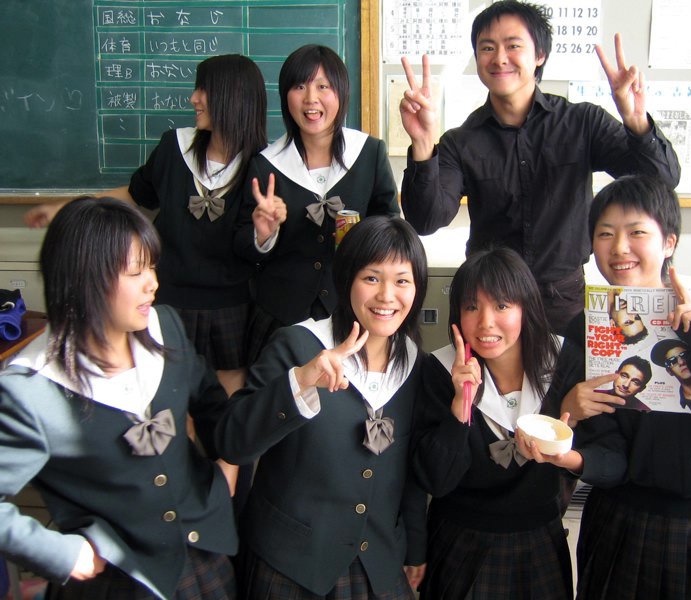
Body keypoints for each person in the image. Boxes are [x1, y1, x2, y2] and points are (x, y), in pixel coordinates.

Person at [525, 174, 691, 598]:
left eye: (636, 232)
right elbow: (578, 439)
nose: (619, 247)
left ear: (669, 242)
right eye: (605, 234)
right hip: (622, 521)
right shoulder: (588, 326)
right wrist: (571, 407)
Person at [0, 197, 237, 599]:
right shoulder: (31, 389)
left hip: (204, 552)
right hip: (121, 578)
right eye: (135, 271)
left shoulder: (166, 329)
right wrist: (58, 552)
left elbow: (213, 404)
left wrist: (228, 462)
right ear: (85, 279)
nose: (153, 283)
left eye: (152, 267)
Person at [398, 0, 680, 333]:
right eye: (487, 48)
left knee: (568, 386)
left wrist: (635, 122)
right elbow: (426, 220)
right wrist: (422, 142)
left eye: (513, 45)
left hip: (562, 300)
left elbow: (661, 179)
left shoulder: (582, 122)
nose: (499, 57)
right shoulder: (461, 141)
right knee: (479, 386)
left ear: (540, 55)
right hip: (488, 300)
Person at [24, 54, 268, 397]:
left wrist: (267, 228)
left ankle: (221, 451)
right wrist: (70, 207)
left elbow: (254, 246)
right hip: (166, 295)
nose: (193, 98)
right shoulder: (174, 147)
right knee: (167, 381)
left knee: (227, 383)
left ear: (232, 96)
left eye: (203, 89)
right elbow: (134, 194)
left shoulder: (264, 164)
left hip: (230, 301)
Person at [216, 216, 427, 599]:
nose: (386, 296)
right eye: (371, 278)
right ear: (346, 279)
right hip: (291, 566)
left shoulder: (415, 367)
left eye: (402, 281)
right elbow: (233, 441)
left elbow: (408, 474)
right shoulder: (296, 346)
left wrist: (414, 548)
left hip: (376, 566)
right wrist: (298, 382)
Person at [411, 246, 572, 599]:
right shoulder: (438, 371)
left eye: (501, 305)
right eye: (472, 307)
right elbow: (435, 480)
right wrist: (459, 405)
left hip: (539, 539)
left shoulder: (562, 363)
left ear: (525, 307)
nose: (485, 322)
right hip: (460, 542)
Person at [236, 44, 399, 363]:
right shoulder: (265, 165)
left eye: (323, 86)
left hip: (353, 312)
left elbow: (392, 229)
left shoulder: (368, 154)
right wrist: (263, 234)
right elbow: (240, 246)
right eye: (299, 86)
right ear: (286, 97)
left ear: (341, 93)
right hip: (281, 315)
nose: (311, 98)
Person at [650, 338, 691, 412]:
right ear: (669, 371)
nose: (681, 362)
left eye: (684, 355)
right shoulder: (671, 406)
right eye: (672, 361)